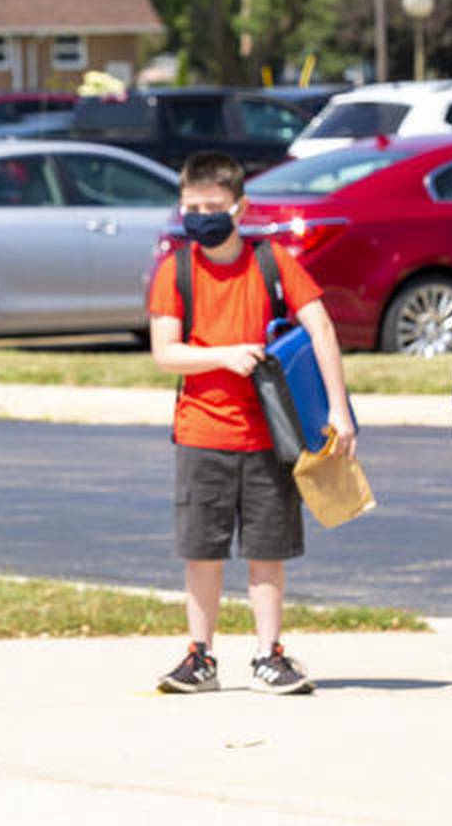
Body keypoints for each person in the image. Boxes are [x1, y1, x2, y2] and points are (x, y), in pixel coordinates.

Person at [146, 152, 355, 696]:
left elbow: (322, 330)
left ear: (239, 207)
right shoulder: (177, 271)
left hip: (270, 434)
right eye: (191, 207)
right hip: (201, 434)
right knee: (203, 550)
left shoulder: (273, 263)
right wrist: (223, 356)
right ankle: (201, 655)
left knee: (268, 550)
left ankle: (269, 653)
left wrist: (340, 408)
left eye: (213, 206)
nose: (201, 216)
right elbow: (165, 353)